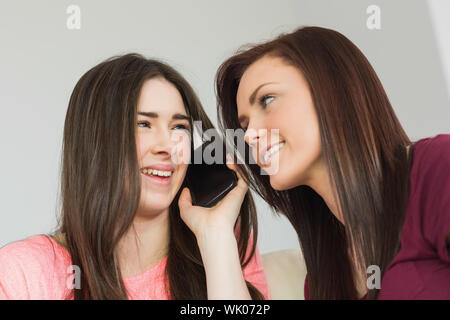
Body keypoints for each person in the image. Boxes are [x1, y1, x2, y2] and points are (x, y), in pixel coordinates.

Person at [0, 53, 269, 300]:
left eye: (179, 127)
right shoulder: (23, 272)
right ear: (96, 142)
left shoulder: (224, 242)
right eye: (143, 124)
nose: (167, 146)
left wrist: (215, 236)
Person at [215, 26, 450, 299]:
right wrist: (216, 229)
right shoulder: (321, 278)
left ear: (332, 88)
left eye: (267, 100)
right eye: (244, 125)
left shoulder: (436, 169)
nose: (250, 134)